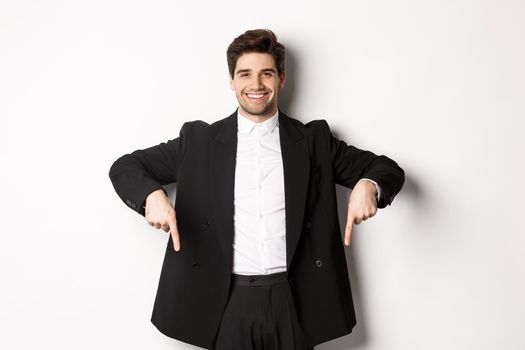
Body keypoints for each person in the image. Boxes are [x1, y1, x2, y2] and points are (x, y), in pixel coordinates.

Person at [109, 29, 404, 350]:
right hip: (225, 302)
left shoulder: (313, 141)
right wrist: (151, 196)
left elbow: (387, 169)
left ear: (281, 79)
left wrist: (368, 185)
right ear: (232, 81)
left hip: (293, 301)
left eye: (266, 73)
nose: (256, 84)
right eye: (245, 74)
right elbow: (125, 167)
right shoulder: (199, 142)